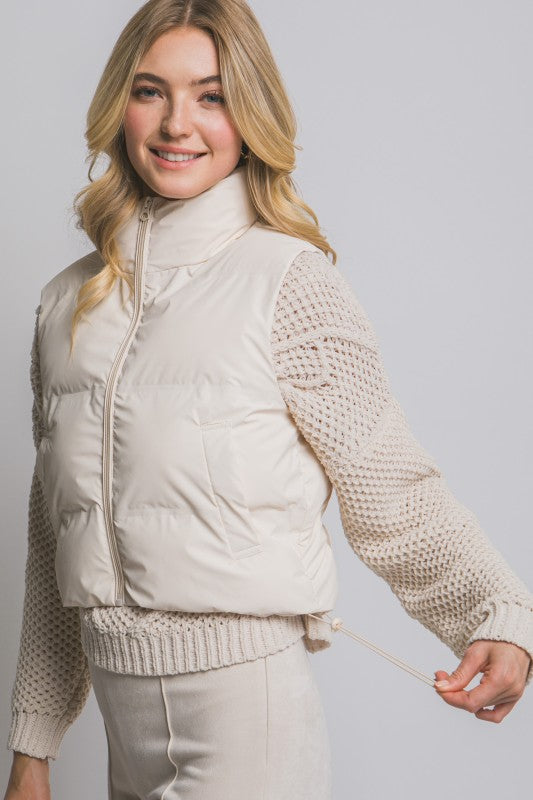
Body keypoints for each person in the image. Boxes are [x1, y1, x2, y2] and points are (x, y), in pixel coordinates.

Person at [4, 1, 533, 798]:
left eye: (211, 96)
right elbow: (54, 538)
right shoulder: (66, 305)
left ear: (249, 115)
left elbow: (390, 489)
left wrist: (498, 614)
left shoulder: (288, 283)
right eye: (150, 91)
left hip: (245, 726)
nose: (177, 123)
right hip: (123, 733)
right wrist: (32, 746)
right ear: (119, 105)